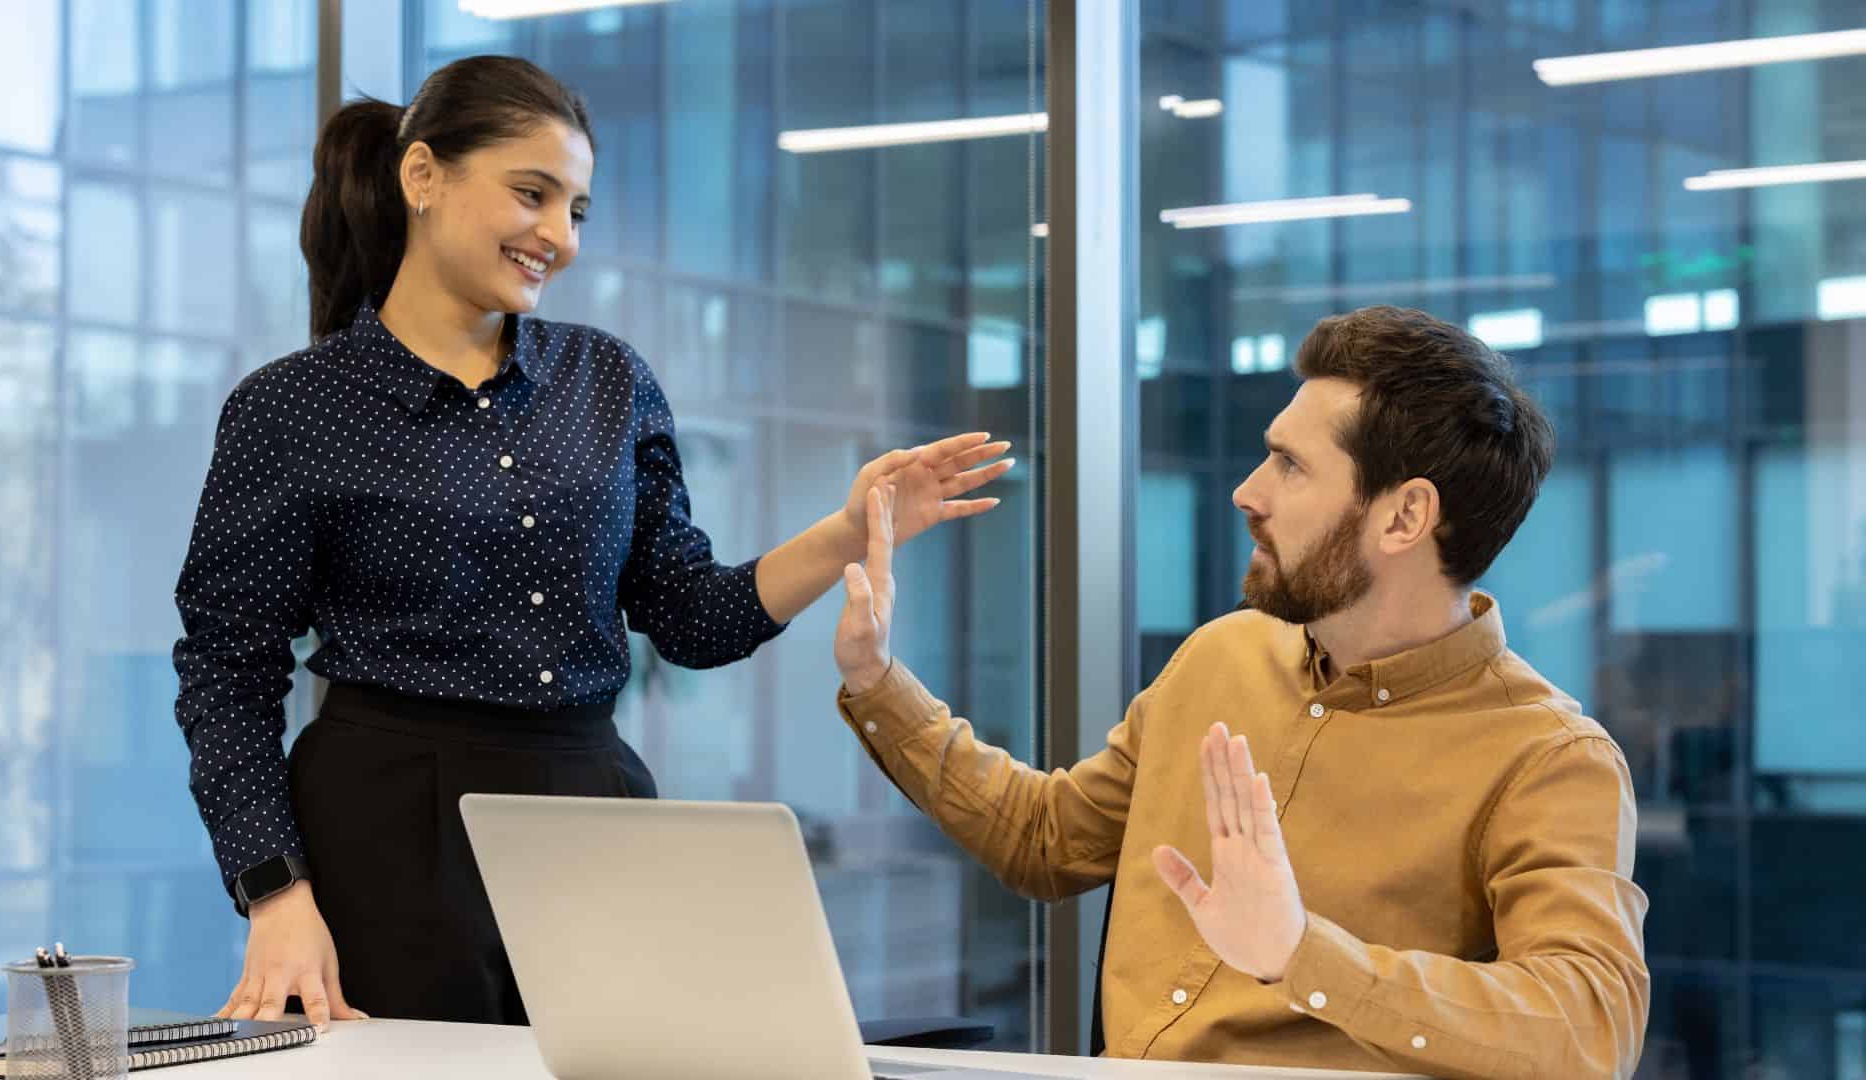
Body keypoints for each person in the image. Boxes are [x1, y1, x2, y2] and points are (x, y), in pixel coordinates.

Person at [172, 55, 1011, 1031]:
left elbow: (689, 616)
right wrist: (277, 894)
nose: (557, 237)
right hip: (382, 832)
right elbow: (226, 676)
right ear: (423, 178)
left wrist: (851, 530)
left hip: (590, 813)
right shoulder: (290, 410)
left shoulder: (608, 381)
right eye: (532, 195)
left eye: (576, 210)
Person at [832, 306, 1648, 1078]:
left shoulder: (1546, 758)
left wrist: (1302, 954)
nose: (1247, 491)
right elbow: (1047, 839)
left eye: (1291, 465)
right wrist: (877, 681)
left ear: (1404, 519)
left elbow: (1587, 1026)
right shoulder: (1221, 659)